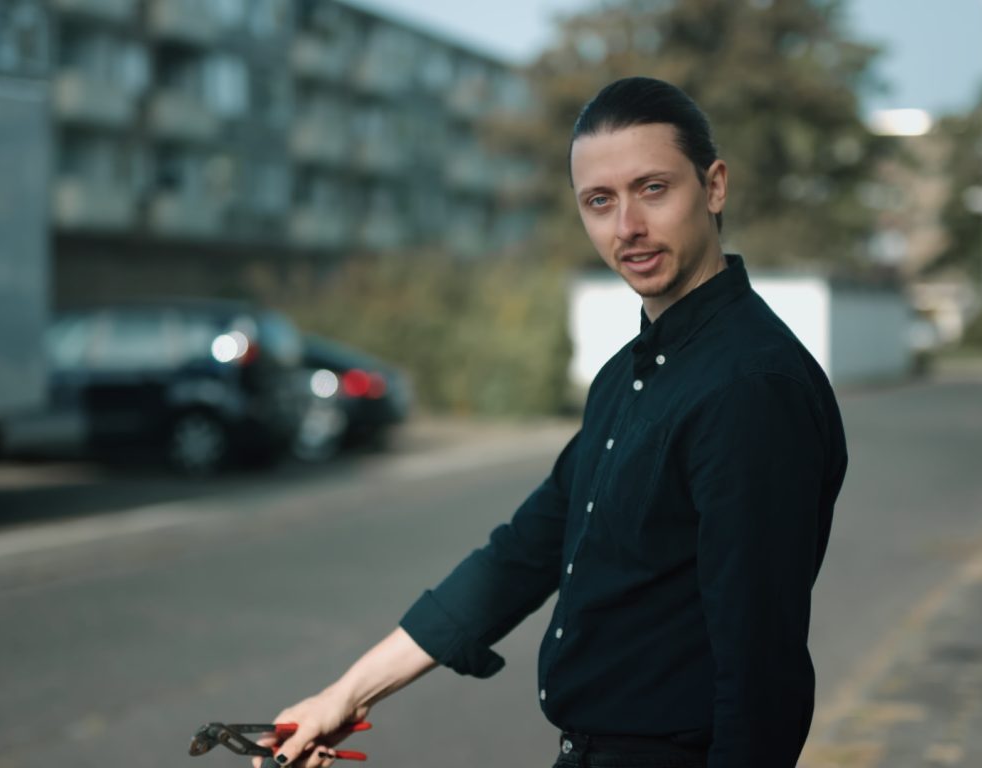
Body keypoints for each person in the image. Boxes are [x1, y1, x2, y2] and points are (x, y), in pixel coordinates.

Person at [250, 76, 848, 768]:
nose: (626, 227)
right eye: (600, 201)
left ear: (713, 187)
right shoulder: (626, 376)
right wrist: (345, 695)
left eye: (653, 189)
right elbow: (522, 553)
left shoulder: (750, 387)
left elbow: (760, 676)